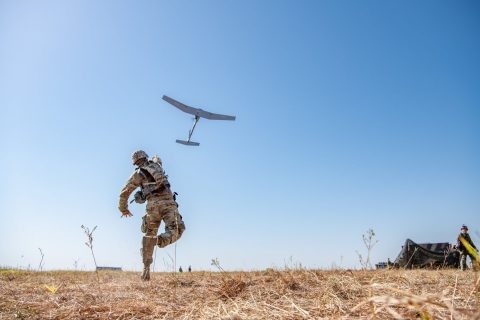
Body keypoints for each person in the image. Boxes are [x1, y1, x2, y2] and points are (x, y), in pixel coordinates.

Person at [118, 150, 186, 280]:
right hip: (168, 204)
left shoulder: (138, 174)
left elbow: (124, 193)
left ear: (135, 162)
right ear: (145, 157)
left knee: (149, 235)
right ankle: (158, 241)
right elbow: (157, 159)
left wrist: (124, 209)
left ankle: (146, 270)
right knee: (177, 230)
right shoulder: (157, 166)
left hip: (152, 207)